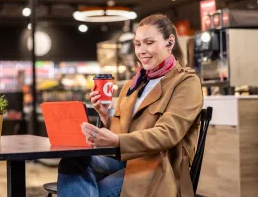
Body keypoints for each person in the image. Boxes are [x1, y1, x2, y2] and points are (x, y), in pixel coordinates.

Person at [57, 14, 203, 197]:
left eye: (149, 42)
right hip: (126, 161)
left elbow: (168, 134)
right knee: (72, 161)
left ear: (170, 42)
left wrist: (118, 141)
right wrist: (105, 117)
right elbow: (120, 134)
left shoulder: (186, 82)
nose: (142, 50)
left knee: (91, 190)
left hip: (159, 169)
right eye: (138, 44)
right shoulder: (134, 83)